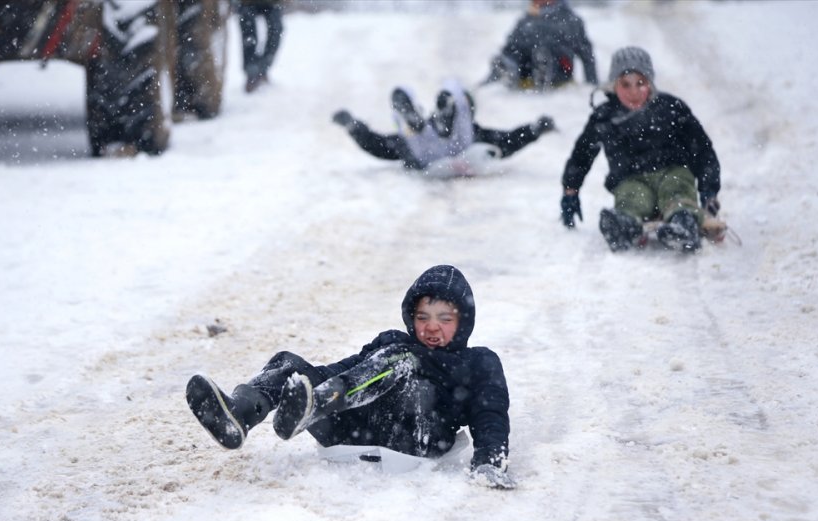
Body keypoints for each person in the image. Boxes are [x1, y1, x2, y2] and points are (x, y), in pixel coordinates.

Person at [185, 265, 516, 490]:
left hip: (415, 438)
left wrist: (489, 462)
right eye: (422, 317)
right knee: (290, 365)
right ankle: (238, 415)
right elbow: (339, 371)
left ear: (464, 322)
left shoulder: (478, 362)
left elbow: (491, 415)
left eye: (444, 318)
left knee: (400, 360)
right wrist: (306, 381)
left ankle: (317, 405)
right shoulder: (393, 340)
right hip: (349, 431)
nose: (431, 326)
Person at [560, 46, 721, 253]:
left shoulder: (671, 108)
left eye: (640, 83)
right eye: (625, 84)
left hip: (672, 171)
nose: (634, 92)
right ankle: (623, 226)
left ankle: (683, 225)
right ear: (613, 85)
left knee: (677, 192)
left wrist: (709, 190)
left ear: (650, 83)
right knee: (631, 199)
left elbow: (702, 149)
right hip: (630, 178)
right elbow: (582, 154)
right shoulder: (605, 117)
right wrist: (570, 190)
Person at [332, 80, 555, 177]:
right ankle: (446, 117)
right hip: (458, 150)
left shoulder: (475, 132)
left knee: (409, 141)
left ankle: (430, 120)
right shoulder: (478, 133)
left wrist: (354, 127)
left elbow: (378, 146)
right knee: (464, 138)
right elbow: (508, 141)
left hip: (424, 161)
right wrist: (533, 130)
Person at [484, 0, 599, 91]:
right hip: (526, 69)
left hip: (560, 67)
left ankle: (543, 70)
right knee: (514, 53)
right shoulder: (525, 20)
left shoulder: (570, 19)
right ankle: (510, 72)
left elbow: (586, 53)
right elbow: (509, 47)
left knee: (545, 53)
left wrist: (592, 83)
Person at [237, 0, 284, 93]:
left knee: (276, 29)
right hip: (247, 3)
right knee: (249, 33)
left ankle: (263, 69)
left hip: (271, 3)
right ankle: (251, 73)